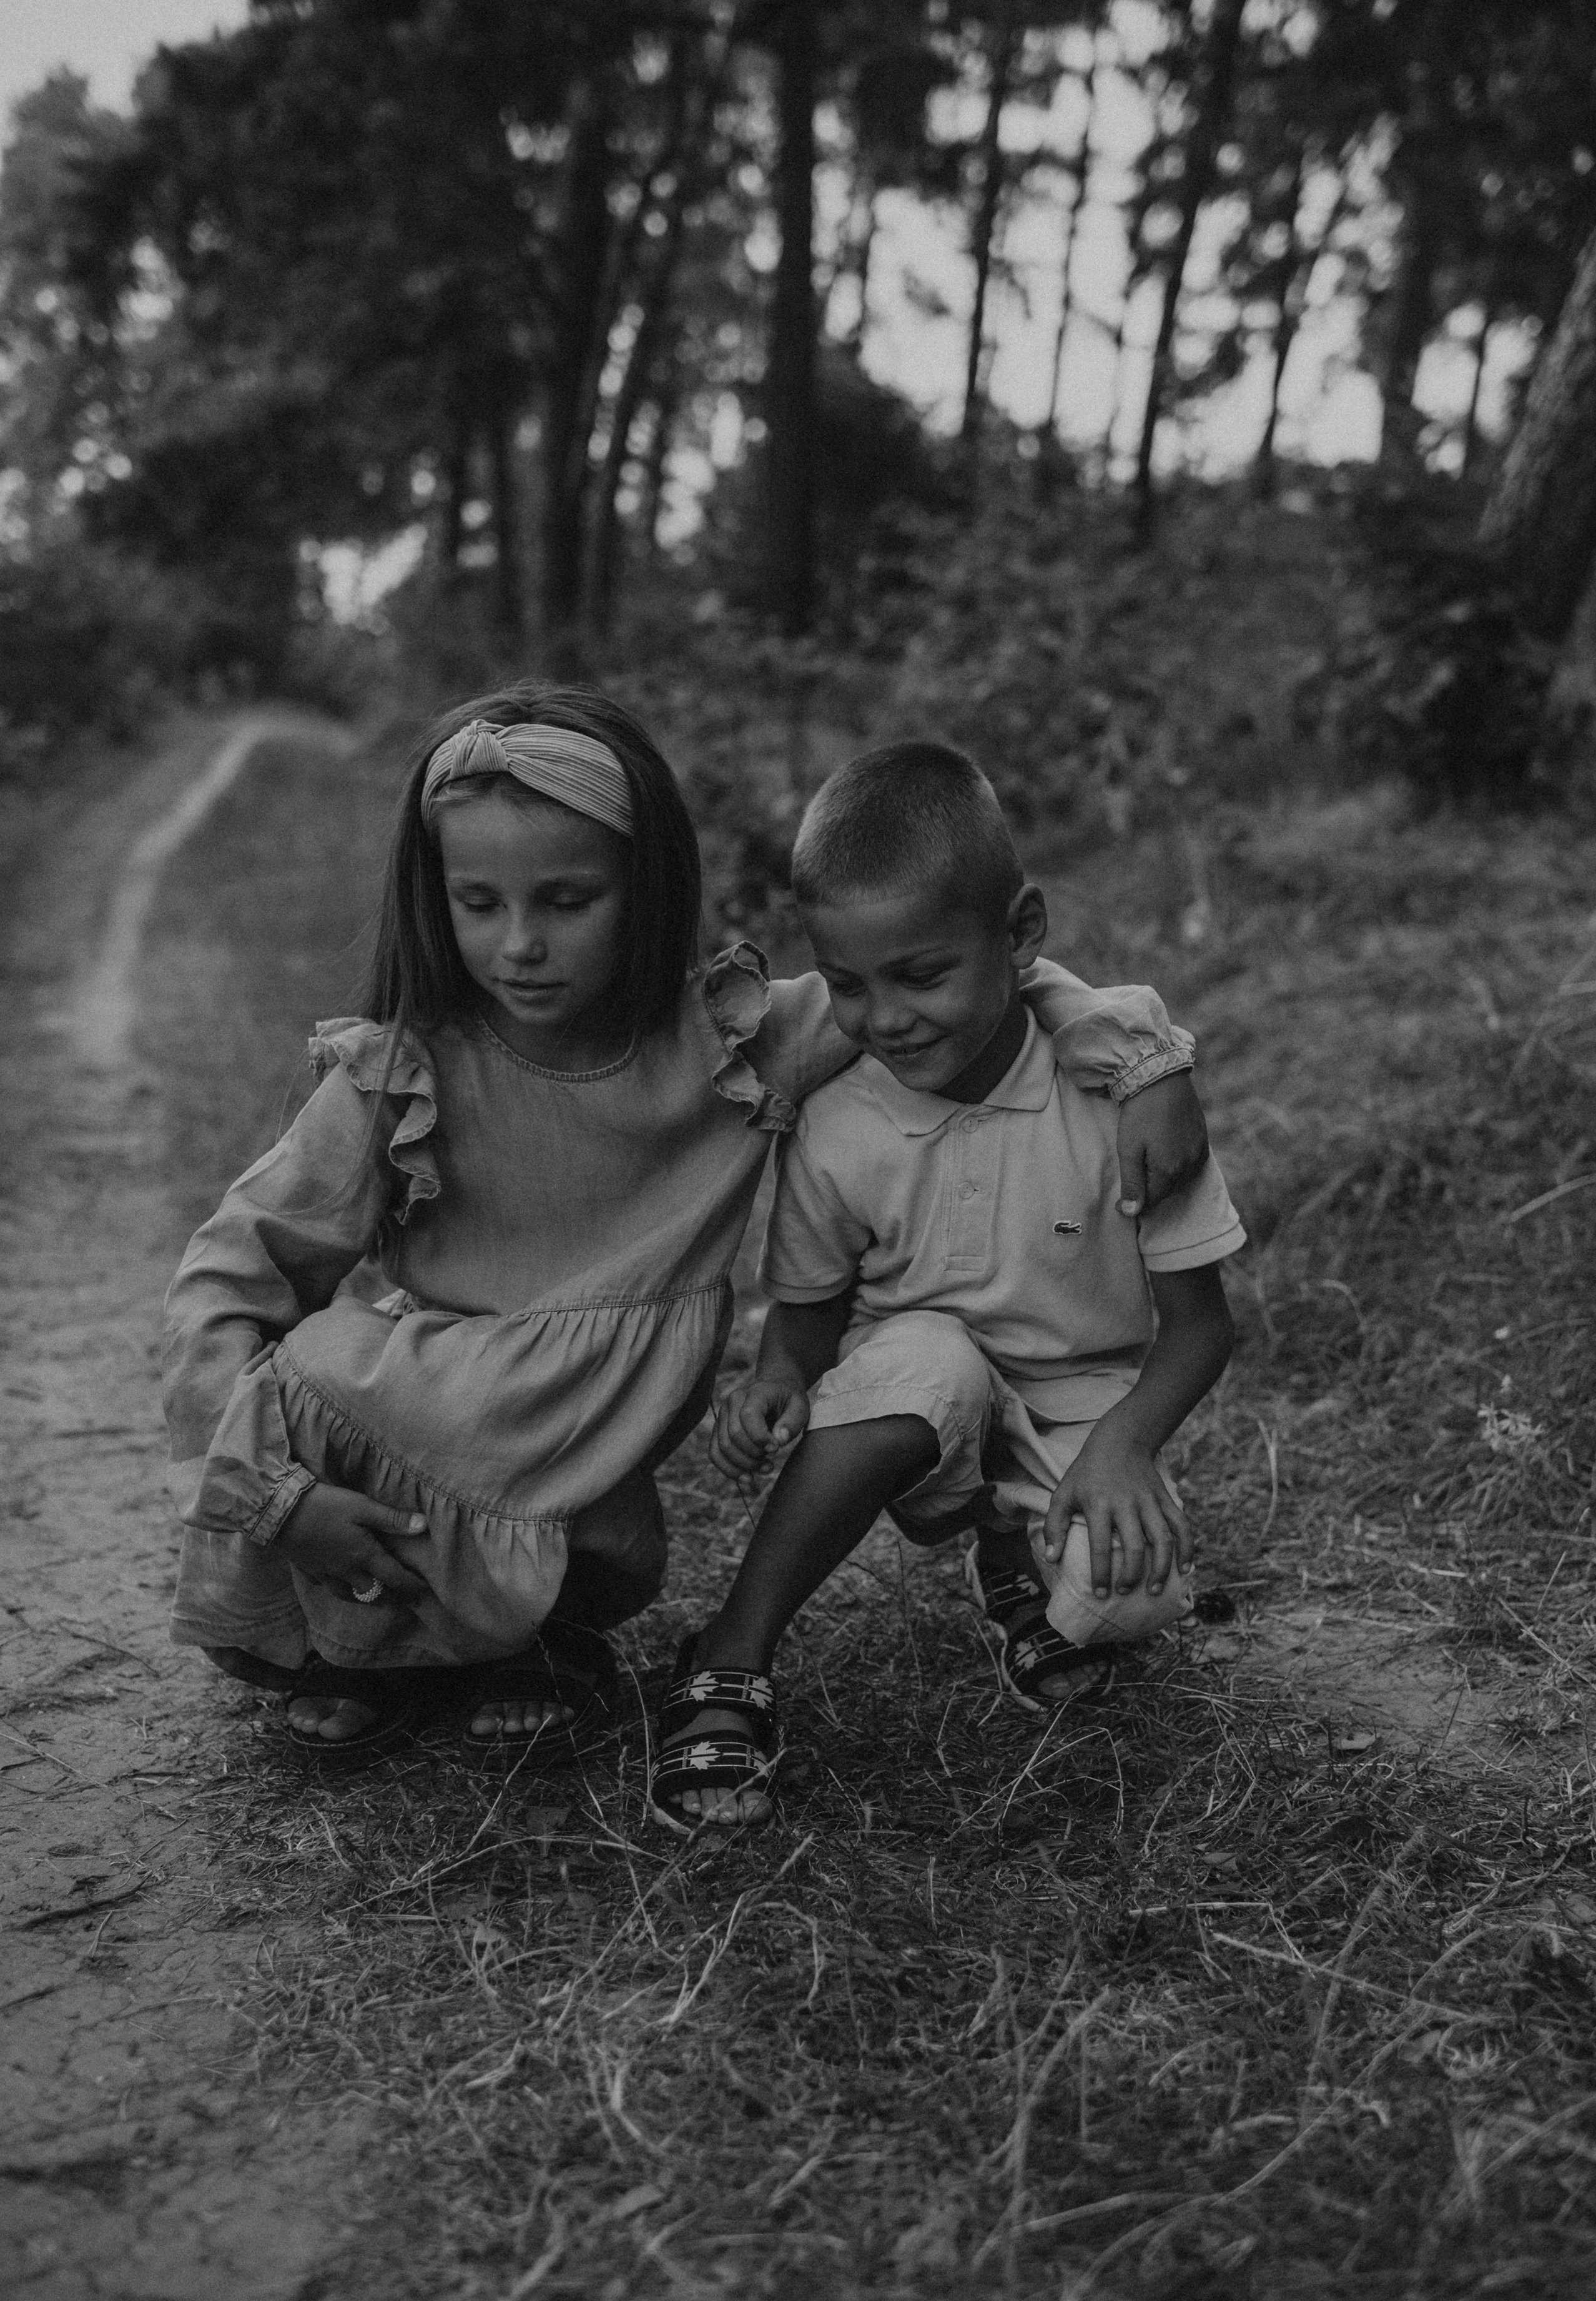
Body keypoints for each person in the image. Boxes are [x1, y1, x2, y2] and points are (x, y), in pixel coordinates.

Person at [164, 691, 1211, 1757]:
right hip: (429, 1416)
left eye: (568, 900)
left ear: (646, 886)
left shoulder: (729, 1043)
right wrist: (279, 1496)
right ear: (437, 900)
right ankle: (353, 1652)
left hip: (582, 1467)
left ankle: (543, 1639)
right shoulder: (404, 1076)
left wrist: (1144, 1057)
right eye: (479, 902)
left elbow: (975, 967)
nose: (520, 945)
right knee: (323, 1372)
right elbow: (229, 1273)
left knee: (566, 1524)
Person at [654, 740, 1244, 1833]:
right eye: (848, 986)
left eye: (921, 975)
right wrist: (780, 1375)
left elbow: (1203, 1329)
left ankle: (1019, 1565)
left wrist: (1123, 1447)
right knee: (934, 1361)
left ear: (1020, 935)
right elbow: (812, 1307)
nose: (884, 1019)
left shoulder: (1127, 1097)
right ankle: (731, 1651)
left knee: (1134, 1589)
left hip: (1084, 1402)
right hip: (915, 1396)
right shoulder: (837, 1125)